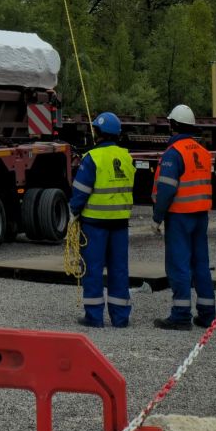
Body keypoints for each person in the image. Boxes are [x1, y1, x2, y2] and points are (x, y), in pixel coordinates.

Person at [68, 113, 136, 329]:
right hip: (120, 223)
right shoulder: (126, 156)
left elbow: (80, 191)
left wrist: (73, 212)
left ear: (97, 133)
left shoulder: (92, 158)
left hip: (95, 223)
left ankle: (94, 317)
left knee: (93, 269)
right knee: (119, 270)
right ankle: (120, 318)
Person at [152, 102, 215, 331]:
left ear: (173, 125)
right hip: (200, 216)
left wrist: (157, 217)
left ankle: (180, 316)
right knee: (201, 265)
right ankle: (208, 315)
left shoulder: (174, 153)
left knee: (179, 266)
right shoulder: (203, 152)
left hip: (179, 216)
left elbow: (167, 189)